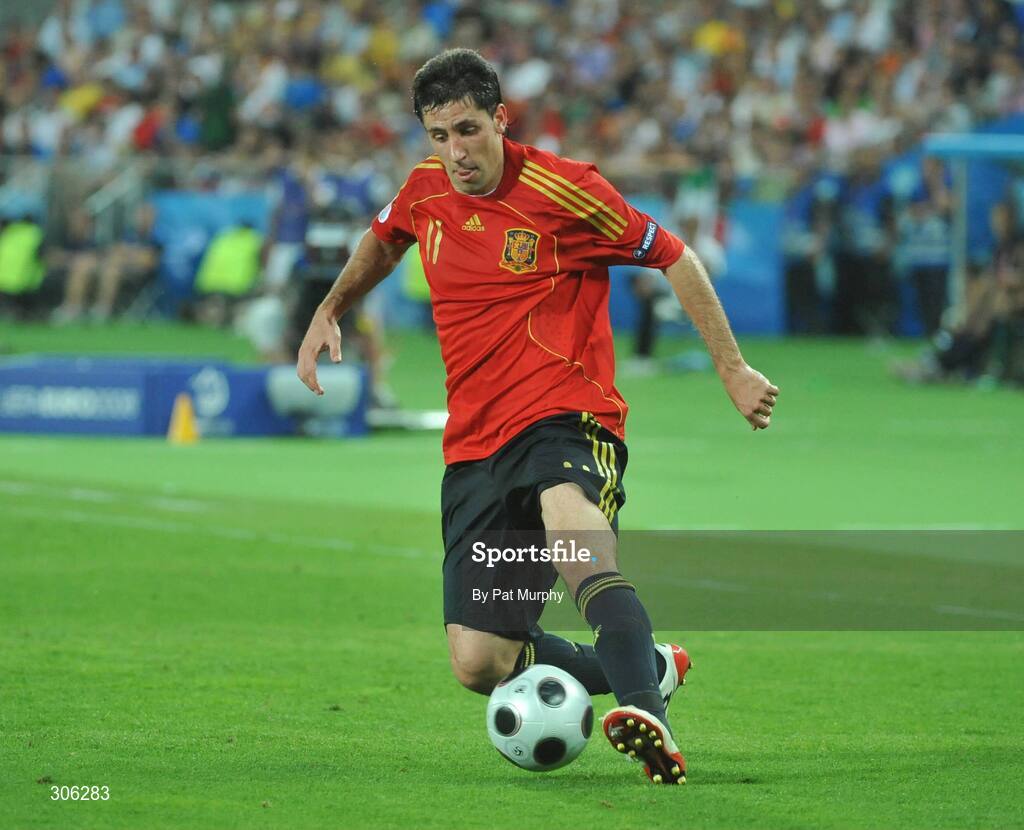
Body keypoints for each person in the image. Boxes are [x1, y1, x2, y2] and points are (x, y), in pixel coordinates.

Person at [296, 49, 778, 785]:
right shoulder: (426, 188)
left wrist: (733, 369)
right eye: (439, 136)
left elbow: (675, 257)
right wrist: (330, 308)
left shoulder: (566, 189)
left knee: (575, 536)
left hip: (564, 416)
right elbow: (385, 239)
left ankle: (648, 713)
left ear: (500, 119)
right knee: (479, 660)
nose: (456, 152)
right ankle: (644, 666)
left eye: (467, 130)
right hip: (474, 448)